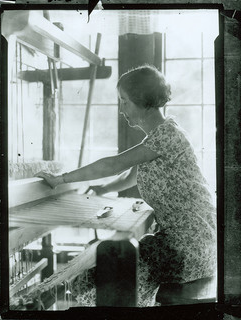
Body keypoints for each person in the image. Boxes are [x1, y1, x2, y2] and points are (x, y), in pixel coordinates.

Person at [36, 65, 217, 307]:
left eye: (124, 101)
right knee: (106, 261)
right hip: (184, 243)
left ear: (142, 101)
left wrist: (60, 179)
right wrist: (102, 190)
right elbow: (129, 177)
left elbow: (115, 164)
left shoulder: (166, 136)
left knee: (108, 268)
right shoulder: (157, 138)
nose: (121, 109)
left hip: (189, 248)